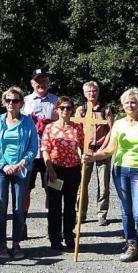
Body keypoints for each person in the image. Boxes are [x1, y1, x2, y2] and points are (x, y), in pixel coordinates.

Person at [85, 88, 138, 263]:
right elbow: (110, 149)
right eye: (127, 102)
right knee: (126, 212)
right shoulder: (118, 124)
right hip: (120, 171)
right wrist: (93, 156)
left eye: (133, 102)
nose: (130, 105)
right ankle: (131, 245)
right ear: (122, 105)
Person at [0, 86, 39, 259]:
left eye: (15, 100)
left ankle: (16, 244)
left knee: (18, 207)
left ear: (21, 103)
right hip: (0, 168)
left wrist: (22, 163)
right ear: (4, 102)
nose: (11, 103)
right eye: (8, 100)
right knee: (1, 205)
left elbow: (33, 147)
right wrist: (4, 165)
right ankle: (2, 244)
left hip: (21, 168)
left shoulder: (28, 122)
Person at [42, 97, 83, 250]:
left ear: (72, 110)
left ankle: (69, 235)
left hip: (73, 170)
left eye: (68, 108)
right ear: (57, 110)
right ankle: (55, 238)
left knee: (70, 205)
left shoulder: (77, 128)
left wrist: (84, 156)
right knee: (54, 205)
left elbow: (82, 146)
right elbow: (45, 149)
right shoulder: (50, 128)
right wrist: (50, 169)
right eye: (62, 108)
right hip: (56, 170)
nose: (65, 110)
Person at [22, 68, 57, 239]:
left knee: (52, 190)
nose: (41, 84)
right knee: (25, 190)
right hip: (29, 153)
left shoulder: (56, 101)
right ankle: (21, 224)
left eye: (44, 80)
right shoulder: (24, 101)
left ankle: (52, 226)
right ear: (32, 83)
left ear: (48, 82)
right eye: (38, 81)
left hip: (50, 154)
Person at [76, 81, 113, 226]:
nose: (92, 94)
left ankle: (102, 213)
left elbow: (111, 130)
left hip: (102, 150)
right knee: (82, 183)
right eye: (89, 91)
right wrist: (81, 150)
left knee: (103, 184)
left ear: (98, 92)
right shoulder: (81, 110)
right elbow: (77, 130)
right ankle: (81, 213)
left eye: (94, 91)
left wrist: (103, 148)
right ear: (84, 93)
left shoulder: (105, 109)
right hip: (86, 150)